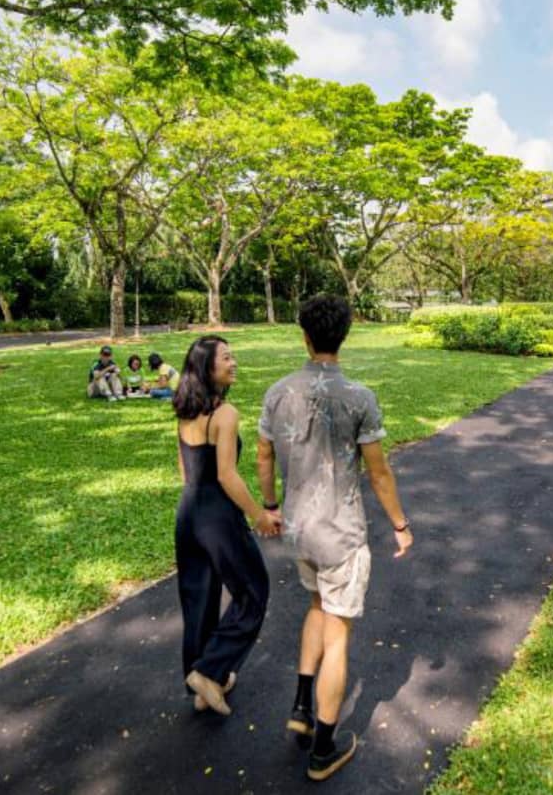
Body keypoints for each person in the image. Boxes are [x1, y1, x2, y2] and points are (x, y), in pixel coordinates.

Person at [257, 295, 411, 782]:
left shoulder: (278, 392)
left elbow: (263, 455)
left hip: (299, 530)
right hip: (341, 533)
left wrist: (269, 505)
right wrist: (402, 526)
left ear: (304, 334)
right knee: (338, 633)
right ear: (344, 335)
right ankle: (323, 748)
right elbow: (379, 472)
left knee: (318, 608)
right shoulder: (359, 397)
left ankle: (301, 707)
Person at [172, 335, 281, 716]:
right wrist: (259, 514)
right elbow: (227, 476)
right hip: (218, 516)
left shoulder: (185, 410)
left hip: (188, 512)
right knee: (253, 590)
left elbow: (184, 468)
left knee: (198, 599)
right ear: (208, 367)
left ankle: (205, 683)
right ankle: (210, 669)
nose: (233, 362)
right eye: (226, 358)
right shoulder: (226, 414)